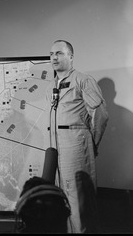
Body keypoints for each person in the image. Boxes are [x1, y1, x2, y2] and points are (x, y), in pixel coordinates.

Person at [47, 40, 108, 233]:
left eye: (59, 53)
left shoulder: (83, 80)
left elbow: (100, 115)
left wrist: (91, 142)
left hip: (75, 143)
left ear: (71, 56)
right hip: (57, 145)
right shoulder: (52, 84)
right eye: (51, 54)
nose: (54, 57)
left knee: (77, 198)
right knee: (63, 197)